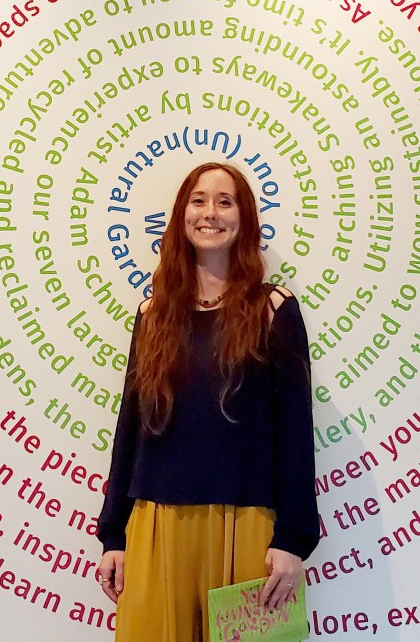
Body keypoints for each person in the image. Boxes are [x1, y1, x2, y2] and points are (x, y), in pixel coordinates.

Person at [96, 161, 319, 642]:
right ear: (182, 215)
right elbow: (130, 428)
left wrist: (293, 539)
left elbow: (296, 431)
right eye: (198, 200)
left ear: (245, 219)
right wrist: (114, 533)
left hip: (248, 525)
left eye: (225, 201)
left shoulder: (274, 310)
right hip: (156, 524)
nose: (210, 213)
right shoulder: (153, 313)